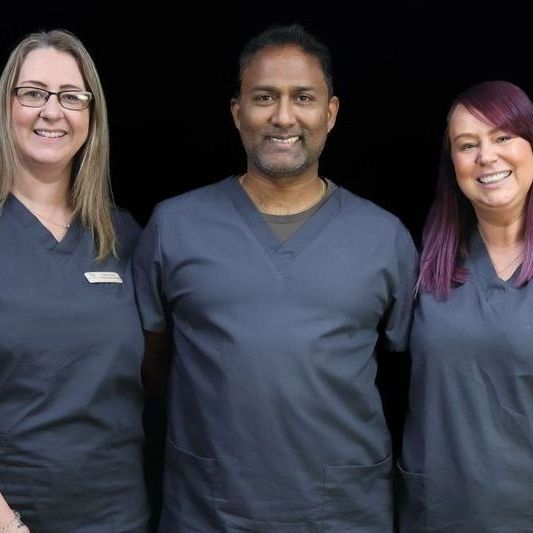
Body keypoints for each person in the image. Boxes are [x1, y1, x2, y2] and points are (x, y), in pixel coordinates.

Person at [134, 23, 417, 531]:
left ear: (330, 113)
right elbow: (153, 363)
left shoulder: (384, 237)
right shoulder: (174, 225)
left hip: (342, 510)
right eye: (264, 97)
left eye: (303, 97)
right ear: (237, 112)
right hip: (210, 508)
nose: (283, 116)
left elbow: (403, 375)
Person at [0, 30, 149, 531]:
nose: (52, 111)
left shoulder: (124, 235)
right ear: (6, 105)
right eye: (33, 93)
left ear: (91, 113)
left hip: (117, 515)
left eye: (71, 96)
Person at [399, 80, 533, 532]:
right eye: (467, 144)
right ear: (452, 164)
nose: (486, 156)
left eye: (503, 137)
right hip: (438, 515)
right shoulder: (421, 266)